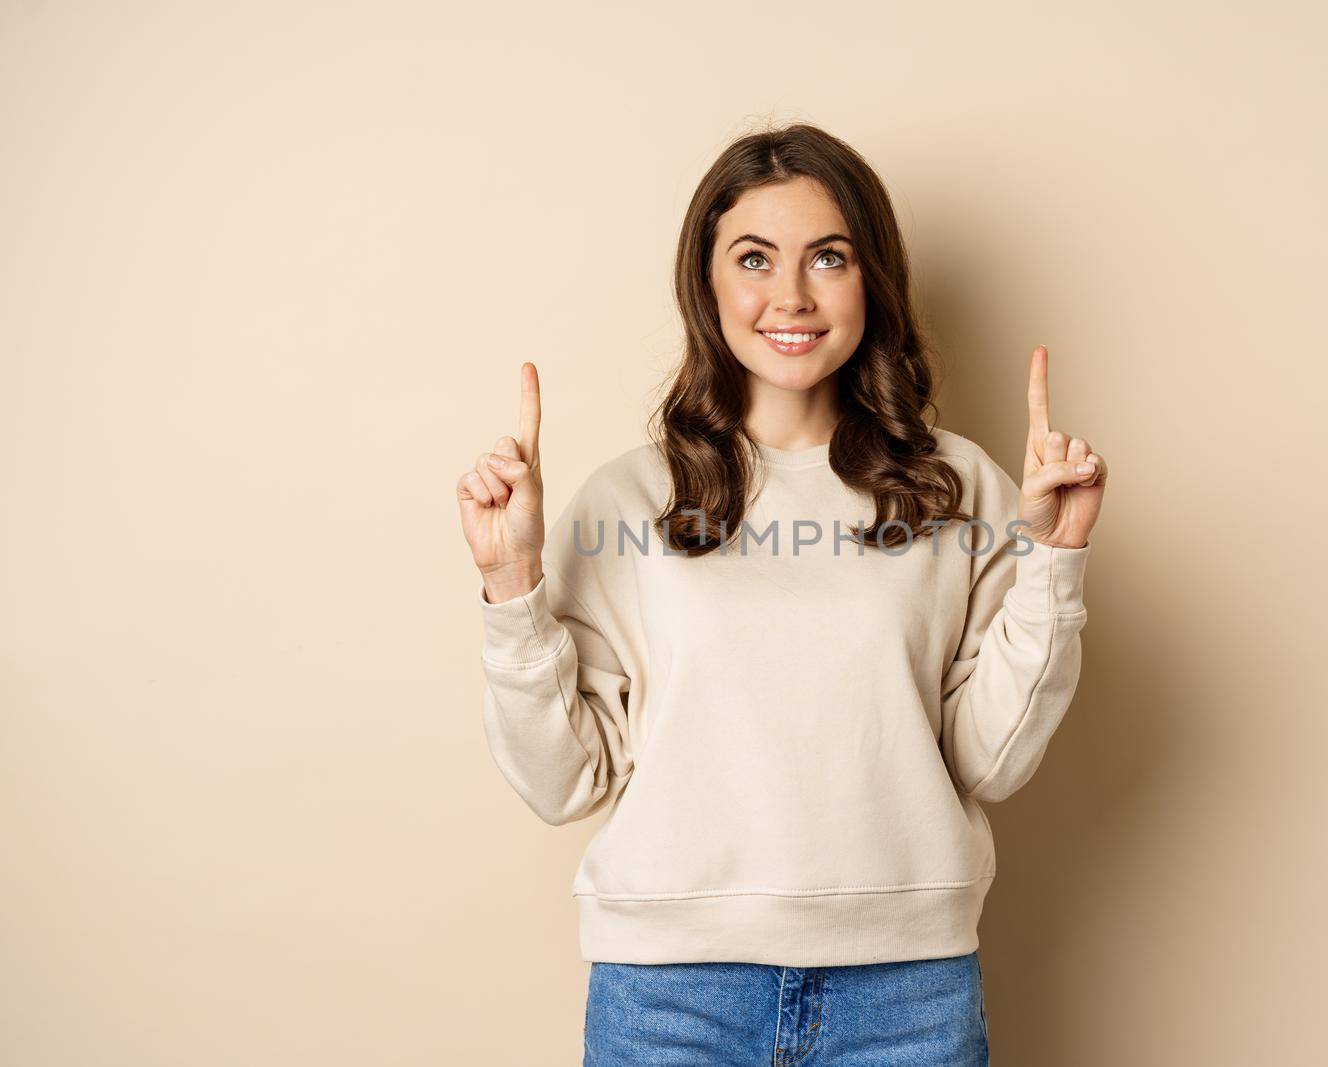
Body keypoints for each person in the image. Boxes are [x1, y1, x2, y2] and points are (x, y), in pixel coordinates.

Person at [455, 123, 1108, 1065]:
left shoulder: (957, 487)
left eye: (828, 258)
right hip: (668, 997)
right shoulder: (628, 500)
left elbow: (991, 761)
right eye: (754, 258)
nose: (791, 296)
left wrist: (1053, 556)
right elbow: (565, 783)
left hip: (908, 995)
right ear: (708, 282)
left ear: (870, 279)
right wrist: (512, 582)